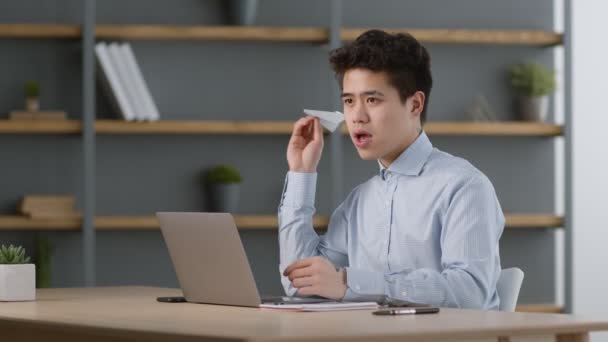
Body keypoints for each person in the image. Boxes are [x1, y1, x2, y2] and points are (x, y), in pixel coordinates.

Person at [278, 29, 504, 309]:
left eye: (372, 100)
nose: (357, 116)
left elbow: (470, 292)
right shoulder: (358, 203)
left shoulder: (464, 186)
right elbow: (298, 286)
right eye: (349, 101)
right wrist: (301, 174)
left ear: (415, 104)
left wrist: (352, 283)